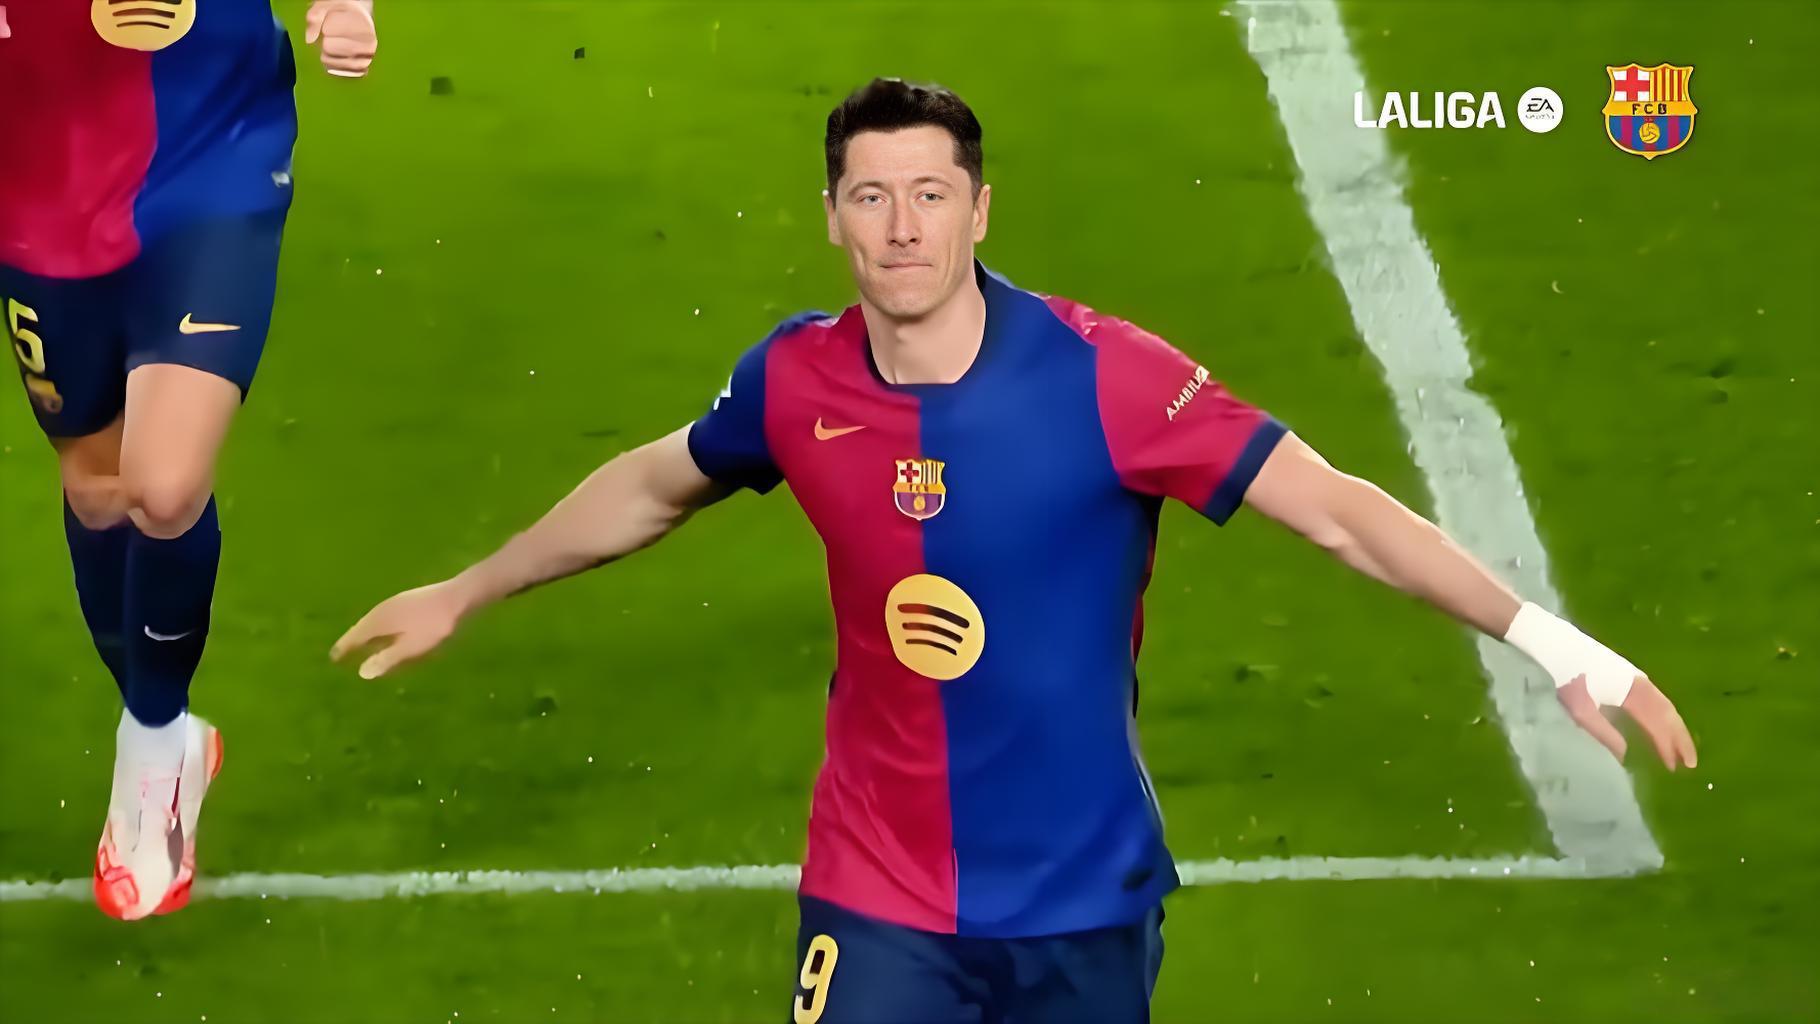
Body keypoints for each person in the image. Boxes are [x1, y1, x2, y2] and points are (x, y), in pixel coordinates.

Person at [332, 78, 1697, 1023]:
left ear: (980, 209)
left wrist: (1547, 640)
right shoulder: (794, 382)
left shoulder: (1113, 380)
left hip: (1080, 900)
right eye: (871, 196)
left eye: (930, 194)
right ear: (830, 214)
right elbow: (653, 483)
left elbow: (1337, 509)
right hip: (877, 891)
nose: (902, 228)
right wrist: (470, 587)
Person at [0, 0, 379, 920]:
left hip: (215, 147)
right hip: (40, 183)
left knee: (163, 487)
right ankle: (164, 732)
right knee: (96, 488)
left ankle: (153, 743)